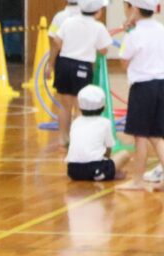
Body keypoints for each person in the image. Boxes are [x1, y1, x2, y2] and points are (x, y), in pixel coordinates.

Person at [46, 0, 112, 149]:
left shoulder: (68, 22)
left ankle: (62, 138)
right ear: (98, 12)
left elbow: (56, 41)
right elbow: (104, 49)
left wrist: (68, 49)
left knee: (64, 105)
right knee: (80, 106)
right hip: (82, 67)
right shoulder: (98, 27)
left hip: (63, 64)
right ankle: (77, 141)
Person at [117, 0, 164, 191]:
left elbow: (123, 63)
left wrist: (128, 32)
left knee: (141, 136)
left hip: (142, 88)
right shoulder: (161, 29)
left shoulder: (134, 35)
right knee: (157, 136)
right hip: (161, 85)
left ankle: (138, 181)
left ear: (134, 9)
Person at [66, 85, 131, 181]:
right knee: (124, 154)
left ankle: (106, 173)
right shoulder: (105, 122)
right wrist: (108, 166)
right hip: (96, 169)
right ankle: (106, 173)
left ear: (80, 107)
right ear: (103, 107)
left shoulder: (75, 122)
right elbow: (108, 148)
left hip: (73, 171)